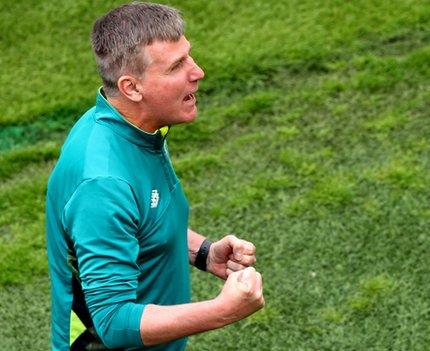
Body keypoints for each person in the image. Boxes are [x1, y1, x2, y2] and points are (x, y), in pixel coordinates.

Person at [45, 2, 265, 350]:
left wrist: (203, 252)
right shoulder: (103, 183)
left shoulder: (131, 125)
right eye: (177, 66)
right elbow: (114, 321)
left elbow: (141, 219)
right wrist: (222, 311)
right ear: (132, 88)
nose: (198, 72)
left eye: (188, 56)